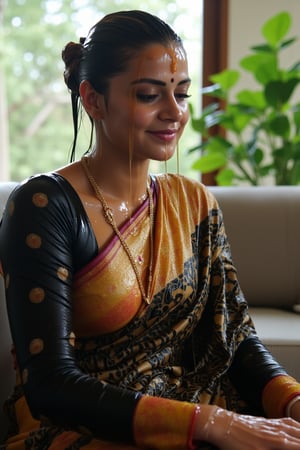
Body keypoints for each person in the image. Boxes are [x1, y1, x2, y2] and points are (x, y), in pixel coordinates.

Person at [0, 9, 300, 450]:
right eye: (149, 95)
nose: (174, 113)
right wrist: (214, 424)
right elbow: (50, 386)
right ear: (93, 99)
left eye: (182, 94)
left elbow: (234, 340)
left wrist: (291, 403)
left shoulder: (194, 203)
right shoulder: (44, 206)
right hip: (84, 429)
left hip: (197, 408)